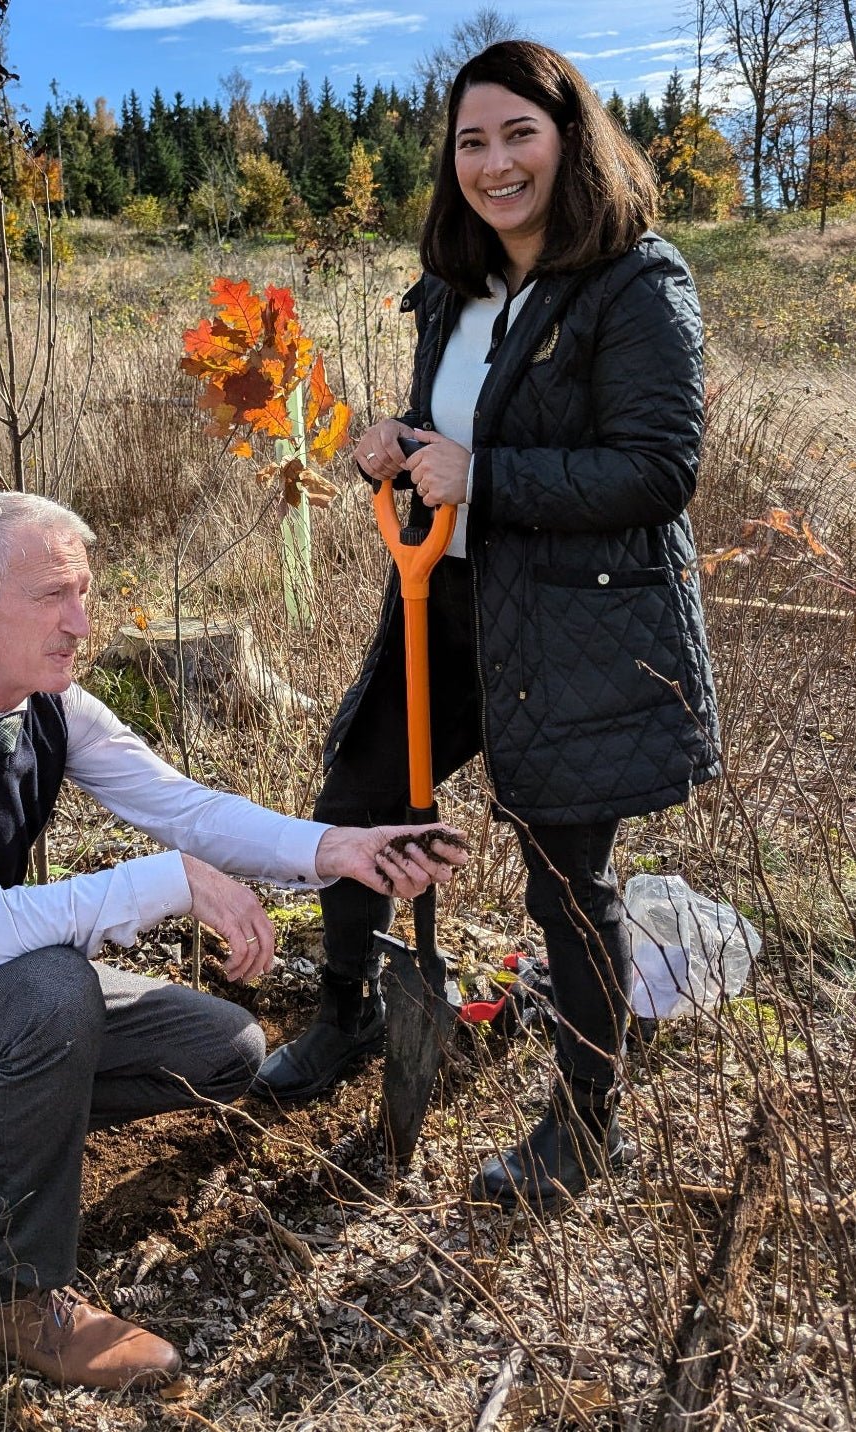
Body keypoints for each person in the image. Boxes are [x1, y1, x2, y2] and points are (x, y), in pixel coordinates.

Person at [0, 490, 467, 1391]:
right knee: (53, 993)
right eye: (54, 596)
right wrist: (168, 882)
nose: (82, 624)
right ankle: (6, 1292)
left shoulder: (50, 706)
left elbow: (185, 807)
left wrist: (339, 849)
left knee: (223, 1047)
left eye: (84, 593)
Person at [255, 40, 720, 1212]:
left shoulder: (634, 281)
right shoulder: (453, 287)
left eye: (520, 133)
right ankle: (350, 1013)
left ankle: (587, 1126)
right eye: (472, 141)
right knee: (359, 792)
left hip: (573, 623)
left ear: (570, 139)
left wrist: (485, 475)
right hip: (449, 602)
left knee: (564, 875)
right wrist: (401, 444)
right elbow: (455, 431)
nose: (495, 163)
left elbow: (656, 469)